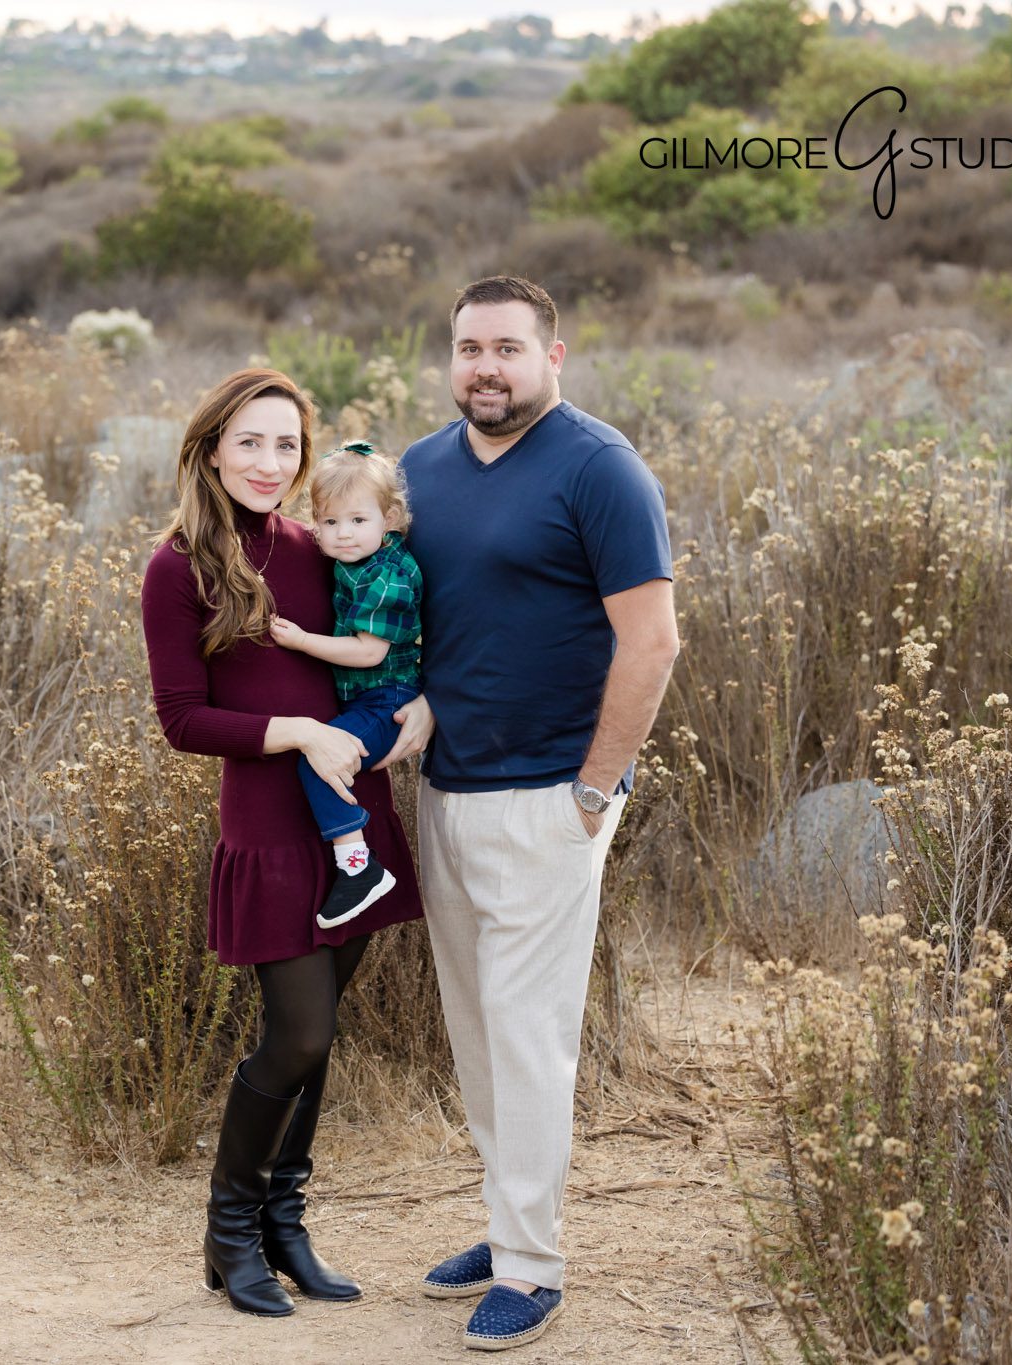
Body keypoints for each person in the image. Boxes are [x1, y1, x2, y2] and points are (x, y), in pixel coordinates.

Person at [381, 277, 680, 1351]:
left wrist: (594, 789)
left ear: (553, 355)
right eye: (469, 348)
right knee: (475, 1030)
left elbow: (651, 640)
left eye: (508, 348)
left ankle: (531, 1268)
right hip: (446, 790)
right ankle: (509, 1219)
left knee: (529, 1034)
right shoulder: (420, 469)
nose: (486, 368)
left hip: (552, 796)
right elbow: (411, 617)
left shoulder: (600, 469)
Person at [140, 369, 424, 1318]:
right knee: (296, 1032)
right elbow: (182, 719)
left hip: (352, 816)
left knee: (321, 1033)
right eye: (250, 442)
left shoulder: (322, 545)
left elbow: (394, 640)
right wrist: (298, 732)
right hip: (268, 823)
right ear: (211, 449)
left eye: (287, 445)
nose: (269, 463)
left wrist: (420, 705)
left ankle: (284, 1224)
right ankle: (229, 1234)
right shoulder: (179, 566)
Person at [269, 441, 423, 930]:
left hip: (388, 698)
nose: (344, 534)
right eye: (330, 522)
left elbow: (369, 652)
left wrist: (301, 641)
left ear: (389, 518)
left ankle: (358, 867)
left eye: (358, 520)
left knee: (321, 761)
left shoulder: (388, 575)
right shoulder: (352, 560)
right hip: (368, 697)